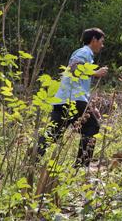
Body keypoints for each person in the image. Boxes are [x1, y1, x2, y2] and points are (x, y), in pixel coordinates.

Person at [37, 28, 109, 167]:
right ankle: (81, 167)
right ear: (94, 39)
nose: (102, 45)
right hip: (73, 99)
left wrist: (91, 108)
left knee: (53, 134)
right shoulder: (84, 52)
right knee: (92, 127)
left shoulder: (84, 54)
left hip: (63, 99)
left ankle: (31, 161)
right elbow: (74, 69)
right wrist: (96, 73)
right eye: (101, 41)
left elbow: (78, 84)